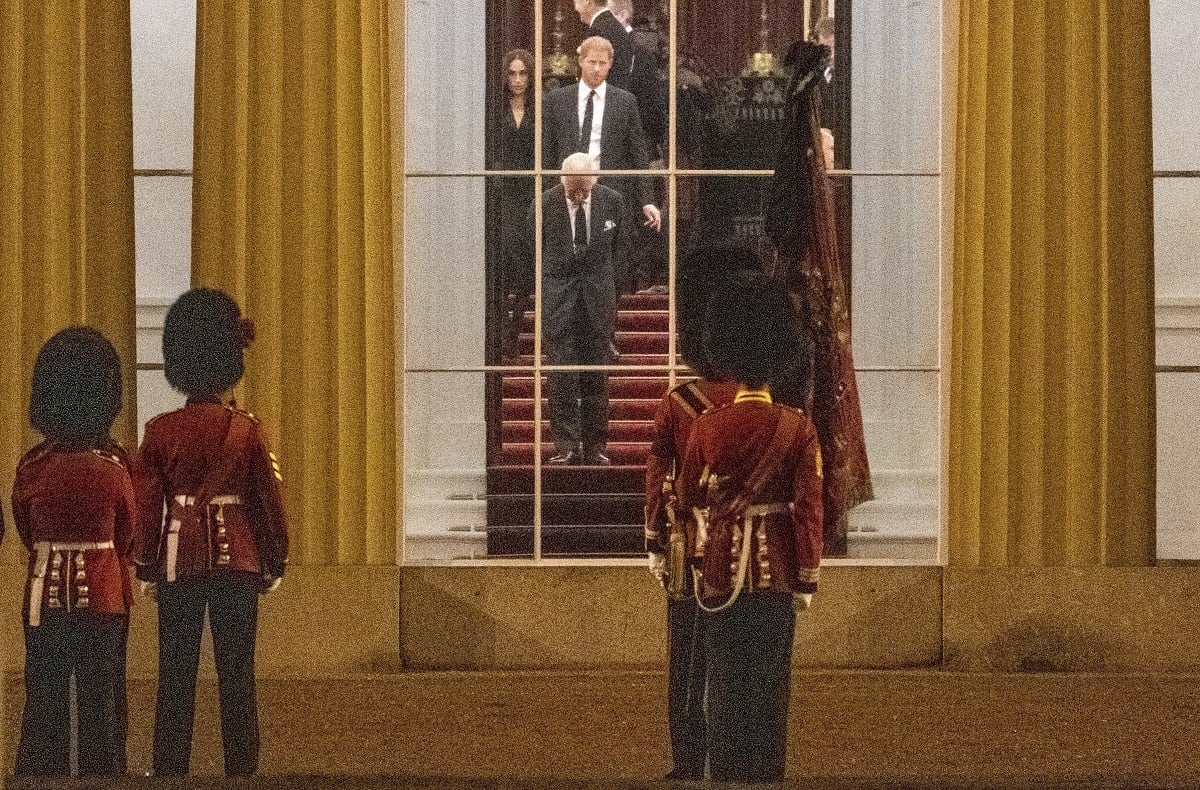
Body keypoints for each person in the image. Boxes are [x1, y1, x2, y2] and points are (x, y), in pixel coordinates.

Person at [132, 288, 289, 777]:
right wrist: (275, 558)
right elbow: (268, 502)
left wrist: (145, 563)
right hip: (239, 559)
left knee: (174, 680)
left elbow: (146, 507)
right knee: (237, 680)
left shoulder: (160, 430)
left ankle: (169, 772)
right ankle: (243, 773)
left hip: (179, 560)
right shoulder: (246, 428)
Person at [678, 272, 823, 783]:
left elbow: (689, 495)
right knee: (770, 682)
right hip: (778, 571)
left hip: (718, 569)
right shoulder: (798, 426)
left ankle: (726, 771)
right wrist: (807, 576)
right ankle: (766, 773)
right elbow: (808, 509)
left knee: (724, 680)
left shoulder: (707, 425)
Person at [644, 243, 762, 780]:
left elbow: (660, 477)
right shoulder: (762, 406)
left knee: (687, 660)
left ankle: (689, 757)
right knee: (741, 662)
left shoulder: (680, 404)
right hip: (751, 552)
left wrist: (652, 537)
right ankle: (736, 754)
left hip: (691, 546)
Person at [9, 326, 135, 777]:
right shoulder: (116, 465)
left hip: (44, 597)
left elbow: (25, 527)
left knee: (44, 705)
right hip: (102, 598)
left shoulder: (33, 465)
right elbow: (129, 535)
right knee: (103, 708)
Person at [526, 153, 626, 465]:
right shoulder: (543, 204)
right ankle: (566, 446)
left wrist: (611, 291)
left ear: (595, 181)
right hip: (558, 301)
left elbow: (623, 250)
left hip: (597, 301)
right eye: (573, 191)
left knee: (596, 376)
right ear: (563, 180)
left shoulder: (614, 202)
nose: (579, 196)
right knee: (561, 377)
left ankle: (596, 447)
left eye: (585, 189)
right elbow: (531, 249)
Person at [497, 48, 537, 359]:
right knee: (507, 256)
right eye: (512, 73)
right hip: (503, 192)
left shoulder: (540, 110)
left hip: (531, 192)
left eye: (523, 73)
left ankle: (515, 330)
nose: (518, 79)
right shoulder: (495, 110)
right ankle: (502, 331)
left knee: (525, 263)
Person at [574, 0, 633, 91]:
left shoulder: (600, 29)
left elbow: (595, 74)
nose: (575, 8)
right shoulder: (611, 25)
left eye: (577, 2)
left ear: (588, 2)